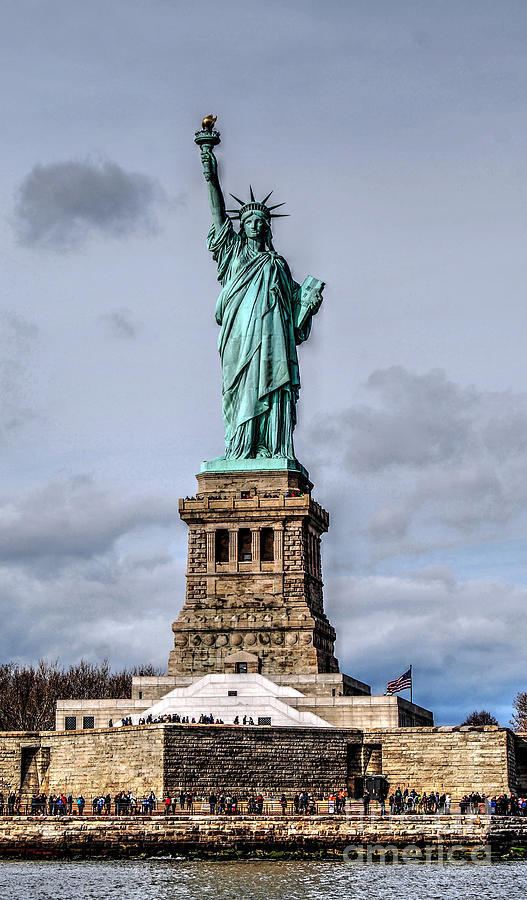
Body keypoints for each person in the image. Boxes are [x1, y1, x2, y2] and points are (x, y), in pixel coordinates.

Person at [200, 143, 324, 461]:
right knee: (240, 389)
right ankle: (241, 449)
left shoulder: (278, 265)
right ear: (242, 226)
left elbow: (295, 323)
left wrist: (308, 305)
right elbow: (217, 214)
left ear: (267, 227)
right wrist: (211, 176)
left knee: (273, 384)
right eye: (248, 220)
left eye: (260, 220)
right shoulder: (233, 252)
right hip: (240, 336)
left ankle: (272, 446)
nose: (255, 224)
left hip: (273, 340)